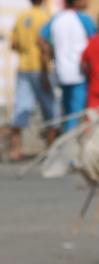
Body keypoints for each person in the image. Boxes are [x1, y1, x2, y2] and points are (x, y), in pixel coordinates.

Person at [8, 0, 57, 161]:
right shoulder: (45, 17)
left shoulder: (21, 17)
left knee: (21, 107)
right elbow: (44, 46)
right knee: (49, 108)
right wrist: (45, 71)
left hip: (23, 68)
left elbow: (14, 44)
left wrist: (26, 50)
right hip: (40, 69)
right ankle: (51, 150)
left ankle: (15, 150)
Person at [39, 0, 96, 133]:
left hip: (61, 71)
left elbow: (40, 39)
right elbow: (95, 41)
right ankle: (69, 143)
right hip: (79, 73)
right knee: (76, 113)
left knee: (67, 111)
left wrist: (51, 53)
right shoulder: (84, 19)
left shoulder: (56, 19)